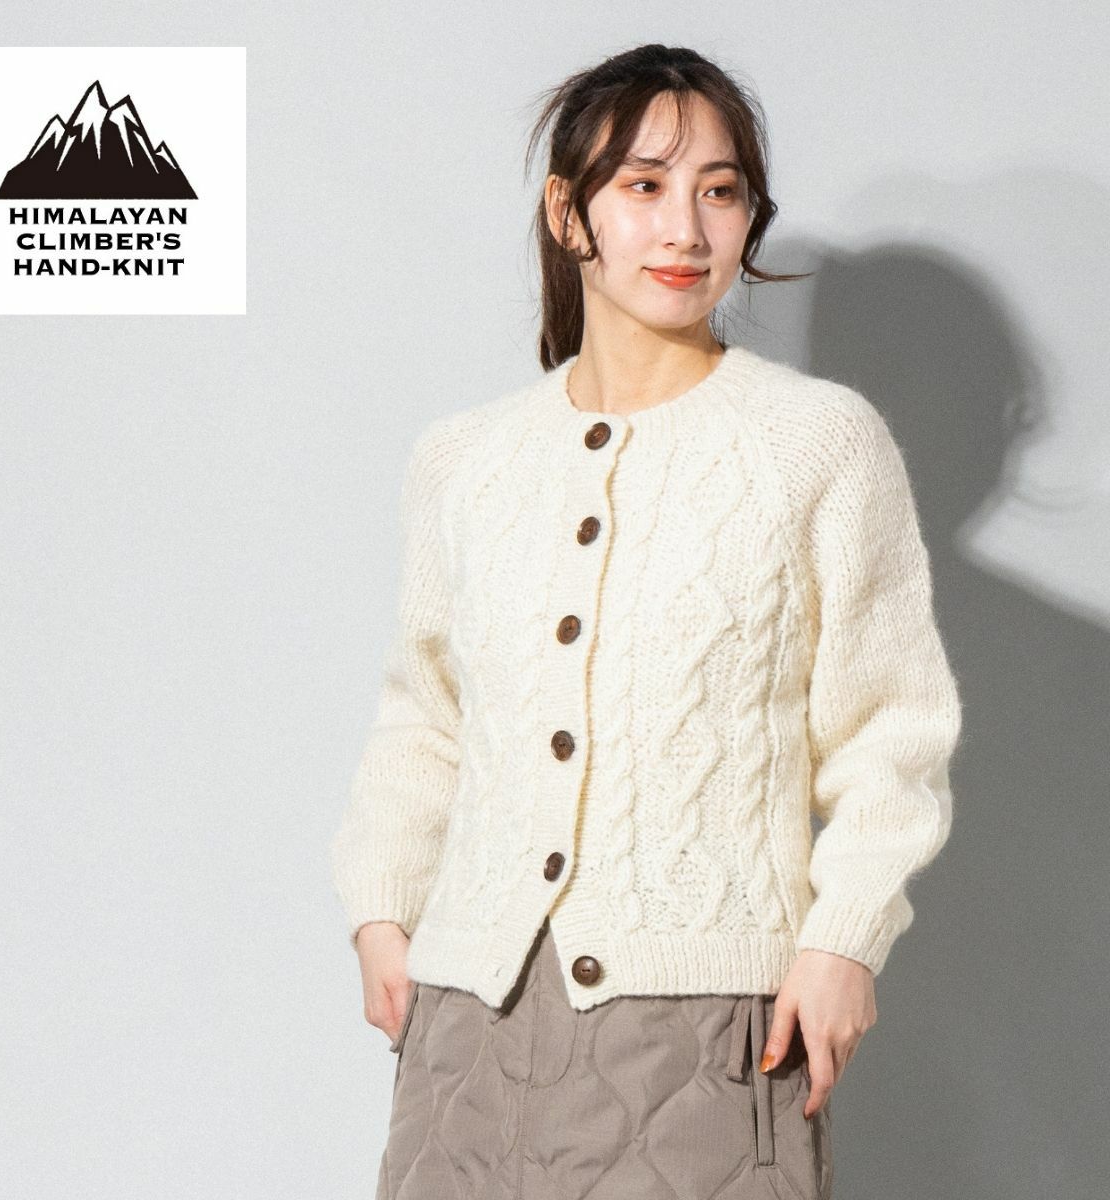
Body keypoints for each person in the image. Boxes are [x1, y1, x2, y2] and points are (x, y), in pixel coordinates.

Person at [329, 42, 963, 1200]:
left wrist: (843, 942)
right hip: (468, 1020)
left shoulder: (818, 444)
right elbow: (423, 720)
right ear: (568, 214)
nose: (686, 228)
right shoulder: (464, 460)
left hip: (705, 1026)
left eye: (720, 191)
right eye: (644, 185)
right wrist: (381, 912)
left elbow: (892, 732)